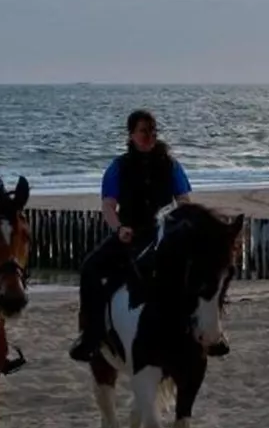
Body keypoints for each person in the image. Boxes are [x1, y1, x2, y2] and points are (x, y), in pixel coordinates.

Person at [68, 109, 193, 362]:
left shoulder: (171, 165)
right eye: (144, 131)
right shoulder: (119, 167)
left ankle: (205, 332)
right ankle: (91, 336)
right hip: (129, 234)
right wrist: (119, 228)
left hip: (162, 234)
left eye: (153, 131)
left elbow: (184, 200)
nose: (150, 136)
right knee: (90, 268)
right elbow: (108, 205)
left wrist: (175, 223)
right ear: (131, 135)